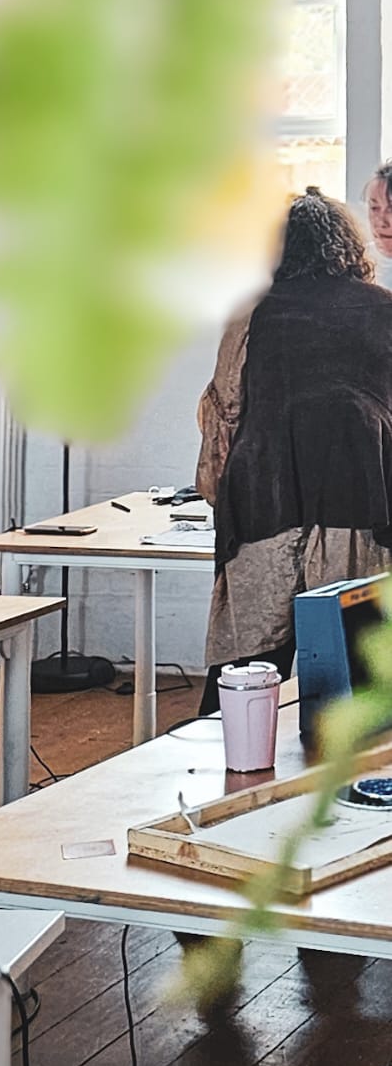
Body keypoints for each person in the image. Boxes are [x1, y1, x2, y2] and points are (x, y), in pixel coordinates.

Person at [196, 188, 392, 714]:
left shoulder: (252, 312)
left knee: (247, 669)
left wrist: (217, 495)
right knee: (355, 667)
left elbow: (224, 411)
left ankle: (227, 771)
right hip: (362, 501)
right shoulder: (385, 310)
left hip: (265, 502)